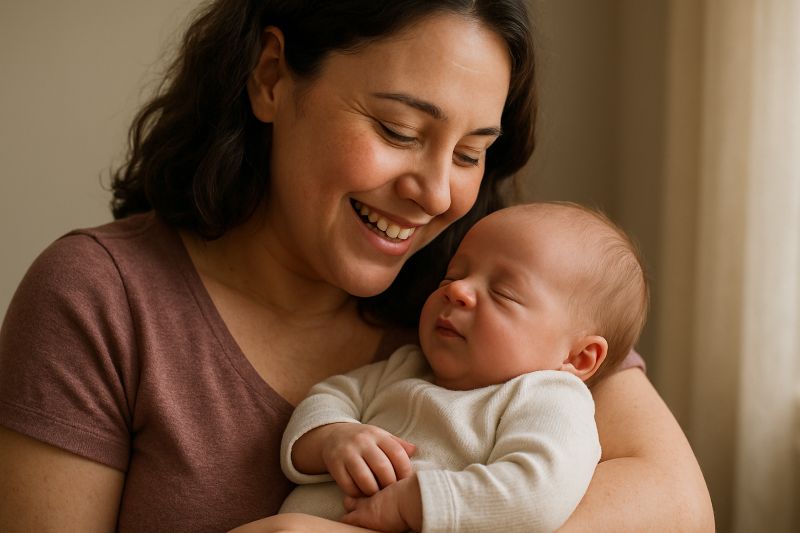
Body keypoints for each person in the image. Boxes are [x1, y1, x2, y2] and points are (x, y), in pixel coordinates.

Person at [0, 1, 713, 532]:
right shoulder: (100, 297)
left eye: (470, 153)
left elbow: (680, 508)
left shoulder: (513, 302)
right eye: (398, 131)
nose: (437, 194)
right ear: (272, 77)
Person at [277, 202, 648, 533]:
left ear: (578, 358)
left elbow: (537, 492)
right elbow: (326, 398)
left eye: (502, 293)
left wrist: (417, 503)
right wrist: (333, 437)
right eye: (452, 276)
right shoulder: (406, 366)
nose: (457, 291)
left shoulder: (549, 400)